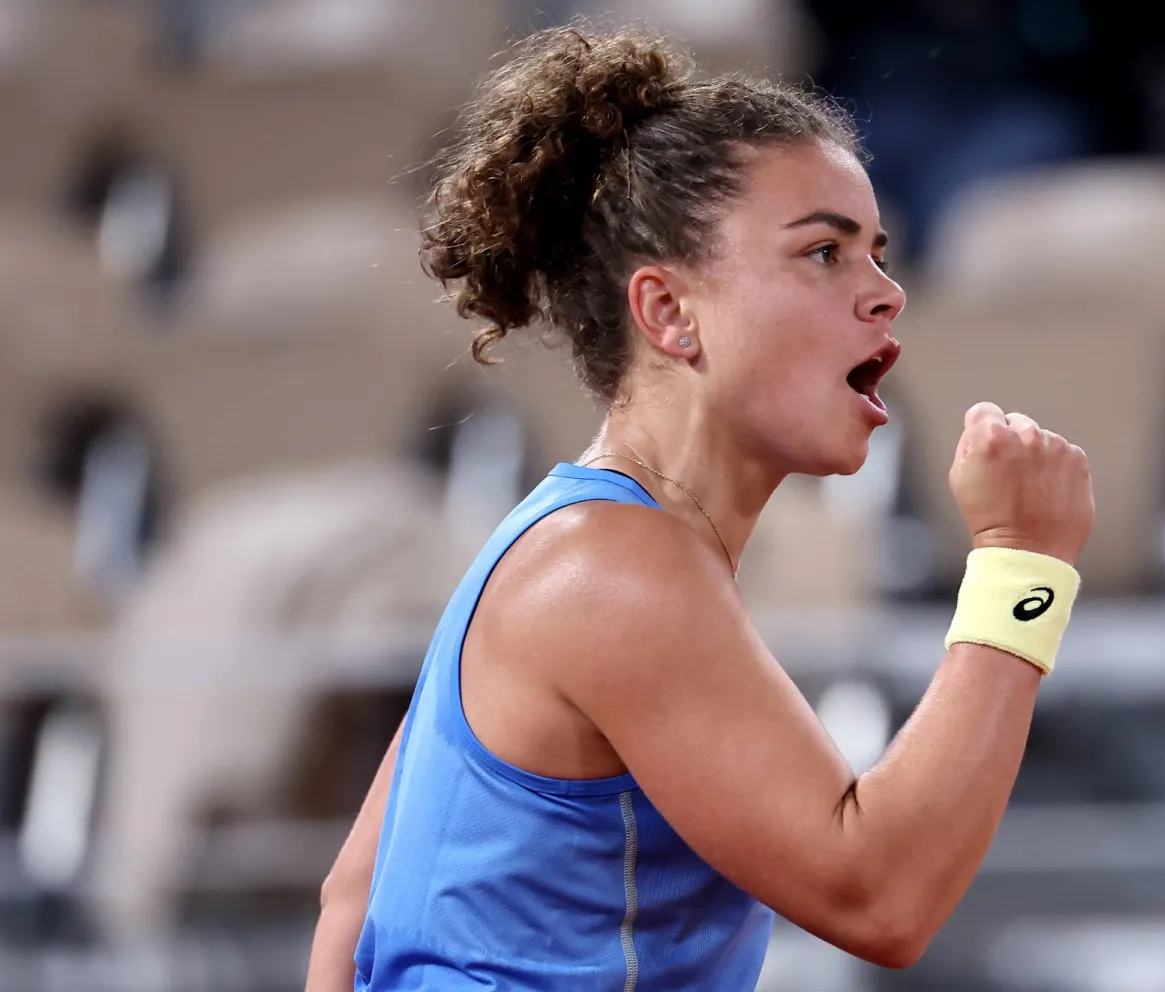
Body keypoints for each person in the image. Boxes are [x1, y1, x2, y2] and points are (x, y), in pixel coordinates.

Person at [305, 25, 1095, 992]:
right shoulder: (615, 573)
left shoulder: (568, 545)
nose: (886, 294)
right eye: (823, 254)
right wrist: (1023, 564)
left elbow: (352, 908)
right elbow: (880, 896)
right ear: (669, 313)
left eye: (878, 256)